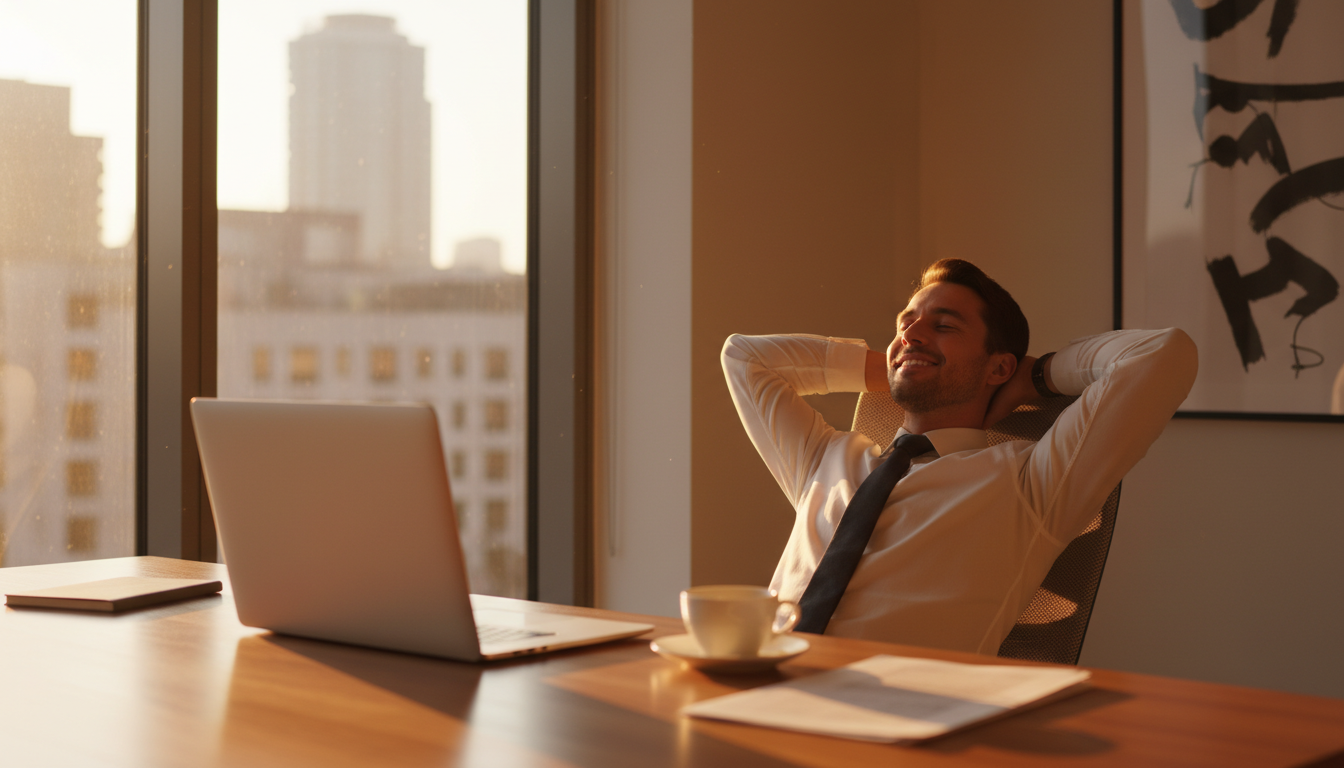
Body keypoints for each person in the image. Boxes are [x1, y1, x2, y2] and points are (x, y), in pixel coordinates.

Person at [721, 259, 1198, 654]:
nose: (912, 333)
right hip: (758, 687)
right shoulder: (824, 458)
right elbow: (743, 358)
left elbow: (1163, 354)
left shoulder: (1031, 483)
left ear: (999, 366)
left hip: (893, 724)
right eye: (905, 323)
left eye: (944, 325)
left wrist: (1038, 376)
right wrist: (899, 363)